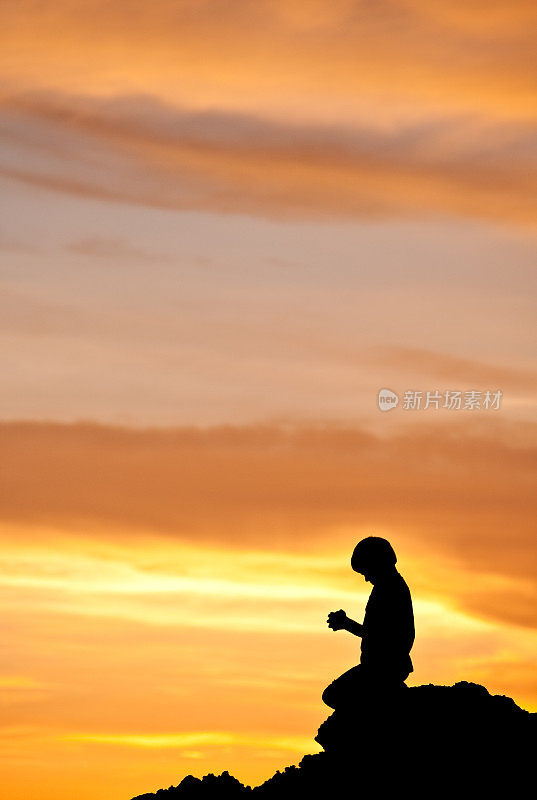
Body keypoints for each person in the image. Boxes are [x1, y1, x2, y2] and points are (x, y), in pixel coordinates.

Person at [322, 537, 414, 710]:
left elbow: (384, 635)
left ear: (377, 564)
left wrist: (346, 624)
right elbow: (373, 632)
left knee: (333, 695)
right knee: (334, 695)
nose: (365, 578)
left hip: (382, 670)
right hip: (381, 668)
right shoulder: (388, 588)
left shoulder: (391, 590)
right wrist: (346, 623)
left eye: (366, 571)